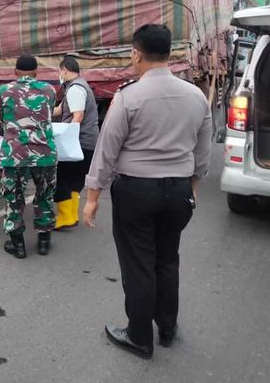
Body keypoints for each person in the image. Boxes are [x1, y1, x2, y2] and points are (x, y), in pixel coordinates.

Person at [83, 24, 212, 359]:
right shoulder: (196, 96)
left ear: (136, 54)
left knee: (139, 264)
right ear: (169, 53)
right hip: (179, 190)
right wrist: (193, 187)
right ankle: (167, 329)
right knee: (167, 260)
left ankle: (140, 336)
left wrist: (93, 196)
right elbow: (203, 150)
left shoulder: (129, 96)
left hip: (137, 192)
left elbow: (106, 149)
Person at [0, 54, 57, 258]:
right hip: (44, 153)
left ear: (15, 72)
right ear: (36, 73)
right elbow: (48, 114)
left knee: (13, 197)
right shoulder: (49, 90)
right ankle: (43, 243)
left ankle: (18, 246)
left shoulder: (4, 91)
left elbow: (3, 119)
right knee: (45, 194)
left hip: (15, 153)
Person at [52, 57, 99, 230]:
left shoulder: (75, 89)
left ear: (64, 70)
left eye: (59, 71)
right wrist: (38, 110)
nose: (59, 75)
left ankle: (66, 217)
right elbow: (59, 110)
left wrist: (66, 136)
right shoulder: (76, 87)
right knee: (74, 180)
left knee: (63, 177)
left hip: (79, 143)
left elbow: (78, 116)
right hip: (87, 143)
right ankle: (70, 216)